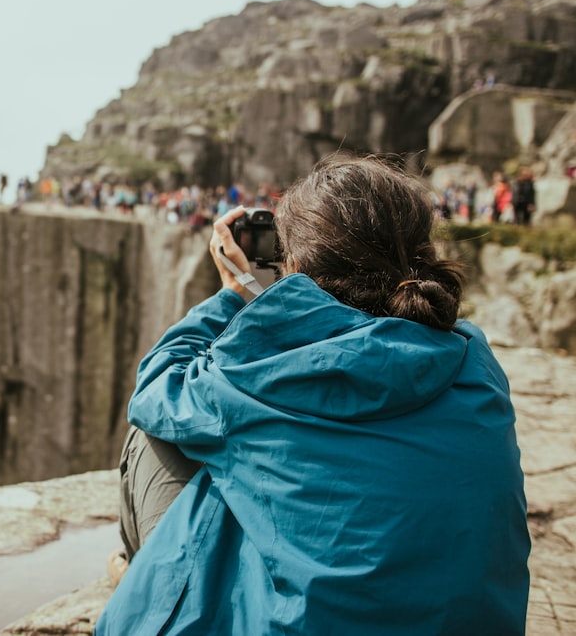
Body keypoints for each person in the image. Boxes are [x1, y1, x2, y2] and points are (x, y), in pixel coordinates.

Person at [95, 154, 530, 635]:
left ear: (296, 266)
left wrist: (236, 295)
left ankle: (150, 583)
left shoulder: (261, 371)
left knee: (158, 439)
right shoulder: (476, 361)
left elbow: (155, 386)